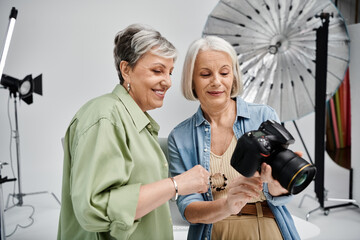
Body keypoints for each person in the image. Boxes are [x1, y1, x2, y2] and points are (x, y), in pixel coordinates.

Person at [57, 24, 210, 240]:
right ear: (126, 70)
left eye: (170, 72)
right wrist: (176, 185)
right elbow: (95, 207)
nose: (167, 82)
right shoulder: (105, 117)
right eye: (157, 70)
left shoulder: (138, 124)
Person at [168, 36, 300, 240]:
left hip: (264, 226)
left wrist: (276, 184)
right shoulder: (180, 137)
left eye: (224, 73)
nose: (216, 82)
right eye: (205, 74)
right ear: (191, 80)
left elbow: (280, 197)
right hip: (212, 231)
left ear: (234, 77)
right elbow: (188, 210)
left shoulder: (263, 117)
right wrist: (227, 205)